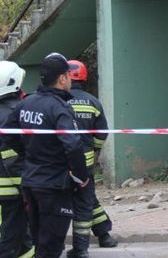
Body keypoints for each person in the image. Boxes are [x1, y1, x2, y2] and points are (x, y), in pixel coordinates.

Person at [4, 53, 90, 258]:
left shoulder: (26, 103)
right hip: (54, 185)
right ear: (62, 79)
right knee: (51, 246)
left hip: (31, 182)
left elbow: (8, 133)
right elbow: (73, 145)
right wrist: (81, 176)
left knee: (39, 240)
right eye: (68, 75)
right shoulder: (59, 108)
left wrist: (28, 153)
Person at [65, 60, 117, 257]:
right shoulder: (93, 102)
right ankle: (104, 234)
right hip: (85, 164)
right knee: (86, 198)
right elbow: (101, 133)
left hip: (61, 164)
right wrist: (94, 151)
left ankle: (81, 247)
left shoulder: (59, 101)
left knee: (81, 202)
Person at [0, 61, 35, 258]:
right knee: (11, 235)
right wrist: (25, 187)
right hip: (10, 190)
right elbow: (12, 156)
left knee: (21, 238)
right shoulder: (13, 114)